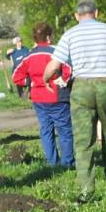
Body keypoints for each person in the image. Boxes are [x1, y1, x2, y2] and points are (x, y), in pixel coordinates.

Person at [44, 0, 106, 202]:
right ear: (97, 12)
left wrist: (45, 79)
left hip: (82, 88)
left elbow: (54, 65)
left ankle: (87, 190)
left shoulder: (69, 34)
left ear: (77, 16)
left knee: (83, 141)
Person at [12, 22, 74, 167]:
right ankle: (67, 163)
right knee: (64, 130)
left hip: (38, 98)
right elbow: (69, 69)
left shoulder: (28, 55)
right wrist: (63, 80)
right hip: (56, 95)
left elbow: (16, 76)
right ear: (48, 37)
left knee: (46, 130)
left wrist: (30, 82)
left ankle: (52, 162)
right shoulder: (56, 51)